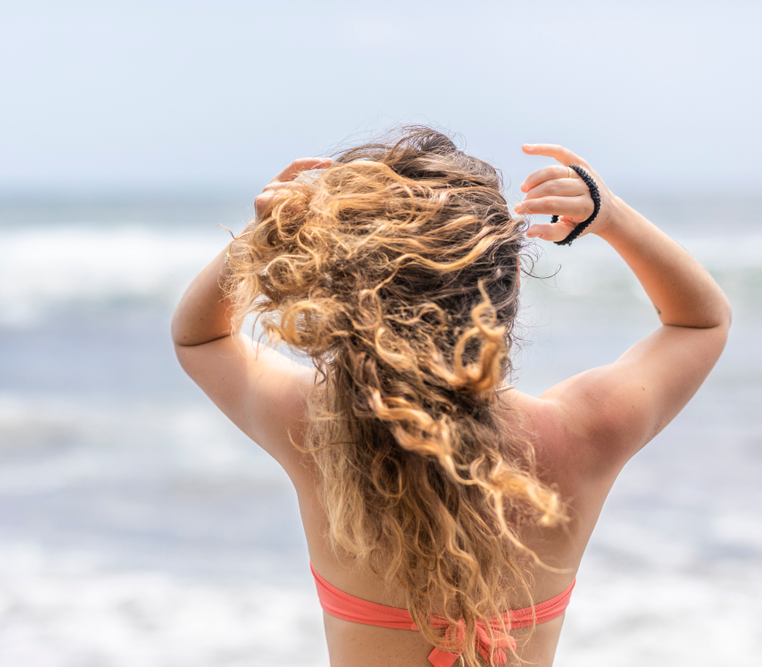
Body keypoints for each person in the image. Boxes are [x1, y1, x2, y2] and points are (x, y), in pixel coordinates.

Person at [170, 127, 730, 667]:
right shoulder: (584, 433)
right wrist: (613, 218)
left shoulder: (320, 433)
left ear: (351, 290)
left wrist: (260, 236)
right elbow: (700, 324)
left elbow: (200, 337)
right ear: (511, 276)